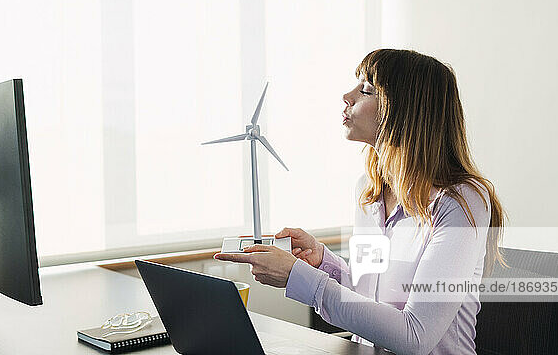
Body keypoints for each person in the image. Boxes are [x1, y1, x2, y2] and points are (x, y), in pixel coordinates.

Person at [214, 49, 507, 355]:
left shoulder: (461, 201)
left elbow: (414, 337)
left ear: (406, 111)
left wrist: (299, 277)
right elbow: (369, 296)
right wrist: (324, 263)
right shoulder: (369, 192)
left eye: (366, 89)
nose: (346, 95)